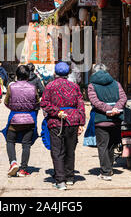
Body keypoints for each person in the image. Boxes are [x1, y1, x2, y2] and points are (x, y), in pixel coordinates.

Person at [40, 62, 86, 191]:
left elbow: (44, 103)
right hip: (73, 121)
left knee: (57, 151)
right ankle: (70, 177)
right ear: (68, 73)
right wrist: (81, 123)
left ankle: (60, 180)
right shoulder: (74, 87)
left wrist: (56, 112)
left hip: (56, 122)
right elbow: (80, 105)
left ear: (55, 73)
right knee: (70, 149)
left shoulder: (50, 86)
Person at [84, 64, 127, 181]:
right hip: (116, 120)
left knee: (102, 146)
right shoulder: (116, 84)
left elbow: (95, 101)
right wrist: (115, 109)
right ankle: (109, 168)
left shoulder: (92, 86)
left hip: (101, 120)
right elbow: (123, 98)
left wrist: (108, 109)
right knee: (111, 145)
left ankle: (105, 172)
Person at [2, 65, 40, 177]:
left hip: (14, 119)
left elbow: (6, 102)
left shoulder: (11, 87)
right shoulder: (32, 88)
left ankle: (13, 162)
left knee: (10, 141)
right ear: (28, 75)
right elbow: (36, 103)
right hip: (30, 119)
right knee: (26, 145)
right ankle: (23, 169)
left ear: (17, 75)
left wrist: (14, 109)